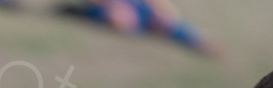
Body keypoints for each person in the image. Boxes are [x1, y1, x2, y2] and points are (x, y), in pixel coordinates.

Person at [56, 0, 220, 57]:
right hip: (116, 10)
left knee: (170, 24)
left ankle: (203, 43)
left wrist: (161, 9)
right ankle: (202, 43)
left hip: (138, 10)